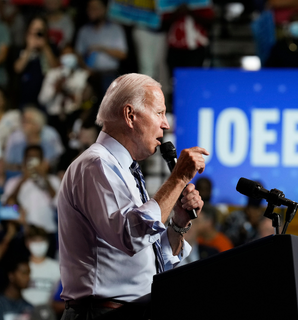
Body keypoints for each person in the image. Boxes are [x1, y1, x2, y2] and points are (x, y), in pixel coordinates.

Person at [57, 73, 208, 318]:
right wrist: (178, 179)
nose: (166, 124)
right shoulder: (96, 165)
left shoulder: (124, 170)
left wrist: (178, 225)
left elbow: (151, 260)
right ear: (130, 115)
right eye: (159, 113)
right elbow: (131, 237)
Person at [38, 44, 90, 148]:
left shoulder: (82, 76)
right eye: (65, 54)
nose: (68, 57)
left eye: (71, 53)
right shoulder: (52, 75)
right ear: (60, 57)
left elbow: (84, 99)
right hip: (54, 118)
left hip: (74, 116)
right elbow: (42, 99)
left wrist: (69, 93)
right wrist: (54, 90)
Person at [1, 145, 60, 236]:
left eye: (36, 158)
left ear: (42, 161)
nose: (32, 161)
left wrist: (44, 177)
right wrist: (22, 180)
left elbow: (58, 203)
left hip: (48, 232)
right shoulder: (13, 182)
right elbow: (6, 208)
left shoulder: (53, 180)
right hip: (24, 234)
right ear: (24, 161)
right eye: (29, 158)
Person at [75, 0, 127, 95]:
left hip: (109, 72)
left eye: (95, 8)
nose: (91, 11)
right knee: (76, 84)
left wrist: (101, 48)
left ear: (104, 10)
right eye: (90, 8)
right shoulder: (84, 31)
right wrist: (85, 67)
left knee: (108, 84)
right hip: (88, 72)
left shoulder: (115, 29)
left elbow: (122, 54)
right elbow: (78, 54)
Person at [11, 15, 58, 109]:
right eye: (34, 30)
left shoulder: (50, 47)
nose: (36, 34)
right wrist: (29, 48)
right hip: (24, 99)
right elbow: (17, 69)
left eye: (40, 31)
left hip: (46, 100)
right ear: (27, 31)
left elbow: (56, 68)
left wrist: (45, 47)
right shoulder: (20, 48)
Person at [3, 107, 64, 172]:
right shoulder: (16, 143)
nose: (23, 124)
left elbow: (52, 163)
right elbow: (7, 164)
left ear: (37, 125)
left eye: (27, 122)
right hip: (18, 176)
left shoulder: (48, 143)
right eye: (23, 121)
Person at [22, 225, 60, 308]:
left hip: (48, 314)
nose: (39, 245)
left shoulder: (57, 268)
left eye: (42, 241)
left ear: (48, 243)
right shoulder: (21, 268)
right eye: (35, 241)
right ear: (27, 243)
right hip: (24, 312)